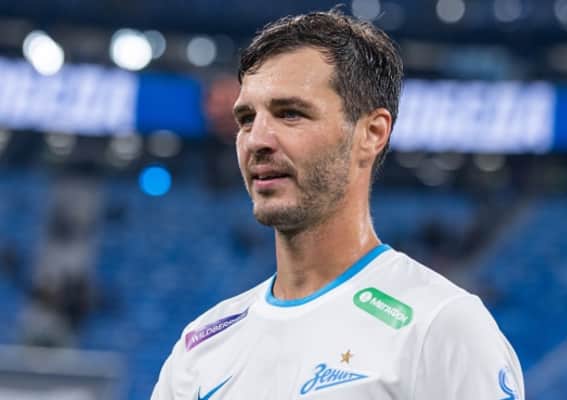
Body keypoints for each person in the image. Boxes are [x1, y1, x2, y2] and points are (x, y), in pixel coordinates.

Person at [152, 10, 524, 400]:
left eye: (290, 114)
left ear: (372, 133)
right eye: (246, 118)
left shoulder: (440, 328)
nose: (256, 139)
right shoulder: (200, 349)